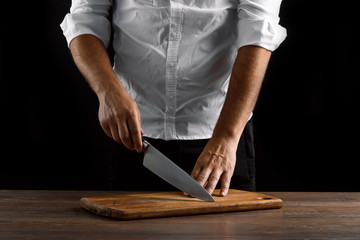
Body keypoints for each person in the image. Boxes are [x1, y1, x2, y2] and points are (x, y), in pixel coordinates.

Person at [60, 0, 286, 196]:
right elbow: (85, 16)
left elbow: (259, 30)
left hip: (222, 137)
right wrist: (107, 90)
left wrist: (227, 137)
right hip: (133, 135)